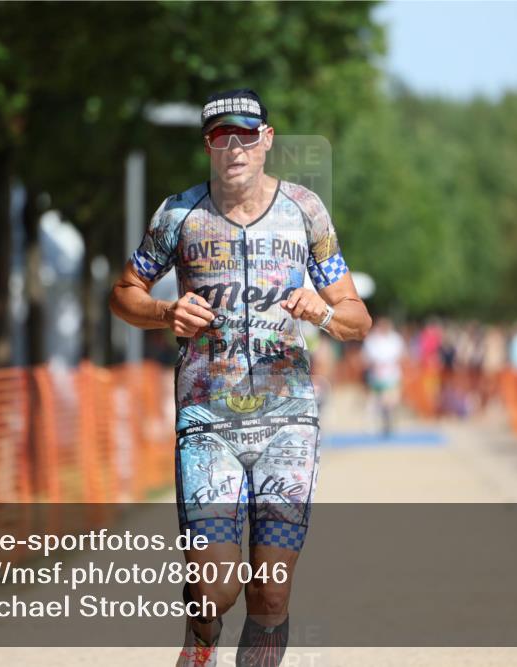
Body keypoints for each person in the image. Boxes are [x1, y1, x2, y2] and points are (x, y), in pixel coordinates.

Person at [109, 88, 371, 667]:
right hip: (208, 425)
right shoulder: (178, 214)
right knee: (215, 588)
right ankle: (199, 644)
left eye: (245, 135)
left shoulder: (305, 210)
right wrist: (163, 312)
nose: (234, 148)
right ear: (208, 145)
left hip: (289, 425)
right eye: (221, 137)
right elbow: (123, 293)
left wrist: (322, 312)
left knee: (270, 590)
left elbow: (358, 319)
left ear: (266, 140)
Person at [361, 317, 406, 436]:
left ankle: (390, 424)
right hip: (376, 375)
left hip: (391, 375)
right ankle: (374, 425)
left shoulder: (395, 339)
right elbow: (367, 356)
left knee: (391, 401)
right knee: (375, 401)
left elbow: (400, 354)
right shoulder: (372, 340)